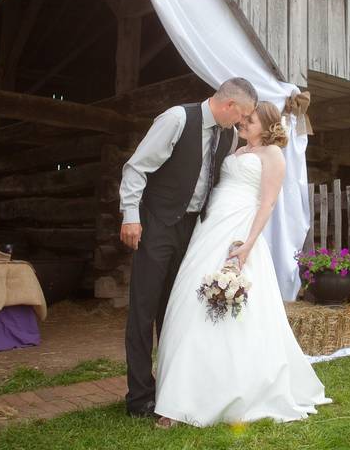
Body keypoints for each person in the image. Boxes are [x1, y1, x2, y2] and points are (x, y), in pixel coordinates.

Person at [153, 101, 331, 428]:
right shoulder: (236, 148)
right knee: (190, 301)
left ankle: (211, 395)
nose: (243, 123)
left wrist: (248, 244)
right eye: (243, 119)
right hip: (209, 229)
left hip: (239, 232)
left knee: (226, 312)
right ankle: (178, 394)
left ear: (267, 125)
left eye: (250, 120)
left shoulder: (273, 156)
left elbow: (268, 203)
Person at [120, 77, 258, 418]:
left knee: (175, 309)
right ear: (228, 106)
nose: (242, 123)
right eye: (242, 115)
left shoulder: (227, 136)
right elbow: (137, 167)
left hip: (192, 230)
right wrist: (130, 216)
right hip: (156, 224)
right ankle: (139, 398)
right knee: (144, 308)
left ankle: (170, 390)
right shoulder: (177, 120)